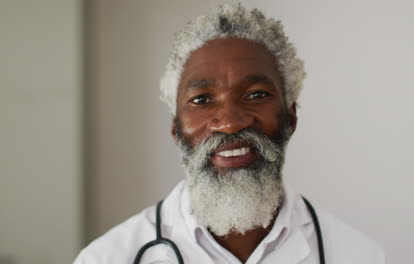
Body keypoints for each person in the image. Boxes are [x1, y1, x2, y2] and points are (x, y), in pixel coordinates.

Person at [74, 3, 385, 264]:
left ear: (290, 116)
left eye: (256, 94)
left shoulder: (359, 255)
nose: (230, 122)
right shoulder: (106, 258)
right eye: (201, 100)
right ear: (175, 128)